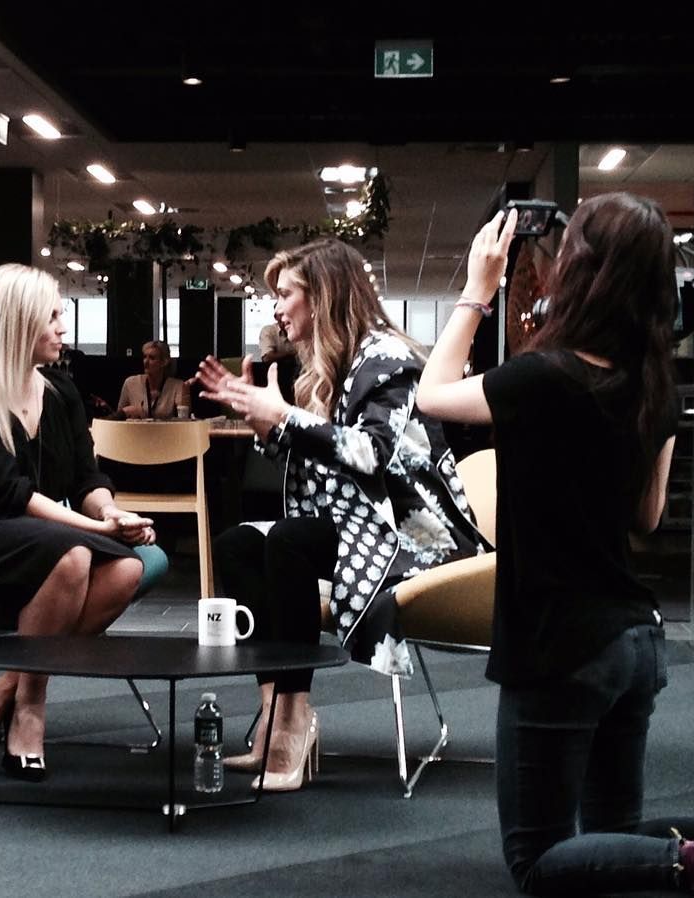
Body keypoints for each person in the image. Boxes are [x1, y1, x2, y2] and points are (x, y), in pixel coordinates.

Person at [416, 195, 694, 895]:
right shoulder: (655, 387)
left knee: (537, 860)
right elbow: (647, 516)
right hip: (635, 641)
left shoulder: (542, 377)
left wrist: (477, 291)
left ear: (582, 272)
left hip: (560, 644)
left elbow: (431, 396)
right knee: (616, 840)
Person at [194, 238, 486, 791]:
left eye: (286, 294)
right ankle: (276, 713)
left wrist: (285, 418)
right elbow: (325, 460)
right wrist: (268, 426)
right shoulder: (334, 363)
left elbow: (372, 453)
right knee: (237, 543)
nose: (277, 309)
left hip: (413, 536)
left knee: (288, 542)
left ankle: (294, 721)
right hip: (359, 527)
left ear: (322, 296)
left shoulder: (390, 360)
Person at [0, 263, 155, 782]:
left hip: (43, 537)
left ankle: (4, 684)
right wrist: (94, 531)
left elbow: (86, 477)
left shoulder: (61, 392)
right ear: (15, 322)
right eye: (50, 317)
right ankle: (31, 707)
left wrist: (110, 513)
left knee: (127, 569)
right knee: (73, 555)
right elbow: (14, 496)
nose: (62, 328)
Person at [115, 339, 185, 419]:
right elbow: (119, 416)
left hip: (165, 427)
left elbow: (184, 417)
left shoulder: (177, 385)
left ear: (164, 362)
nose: (146, 362)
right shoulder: (130, 383)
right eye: (145, 357)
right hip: (136, 427)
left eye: (152, 358)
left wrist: (185, 392)